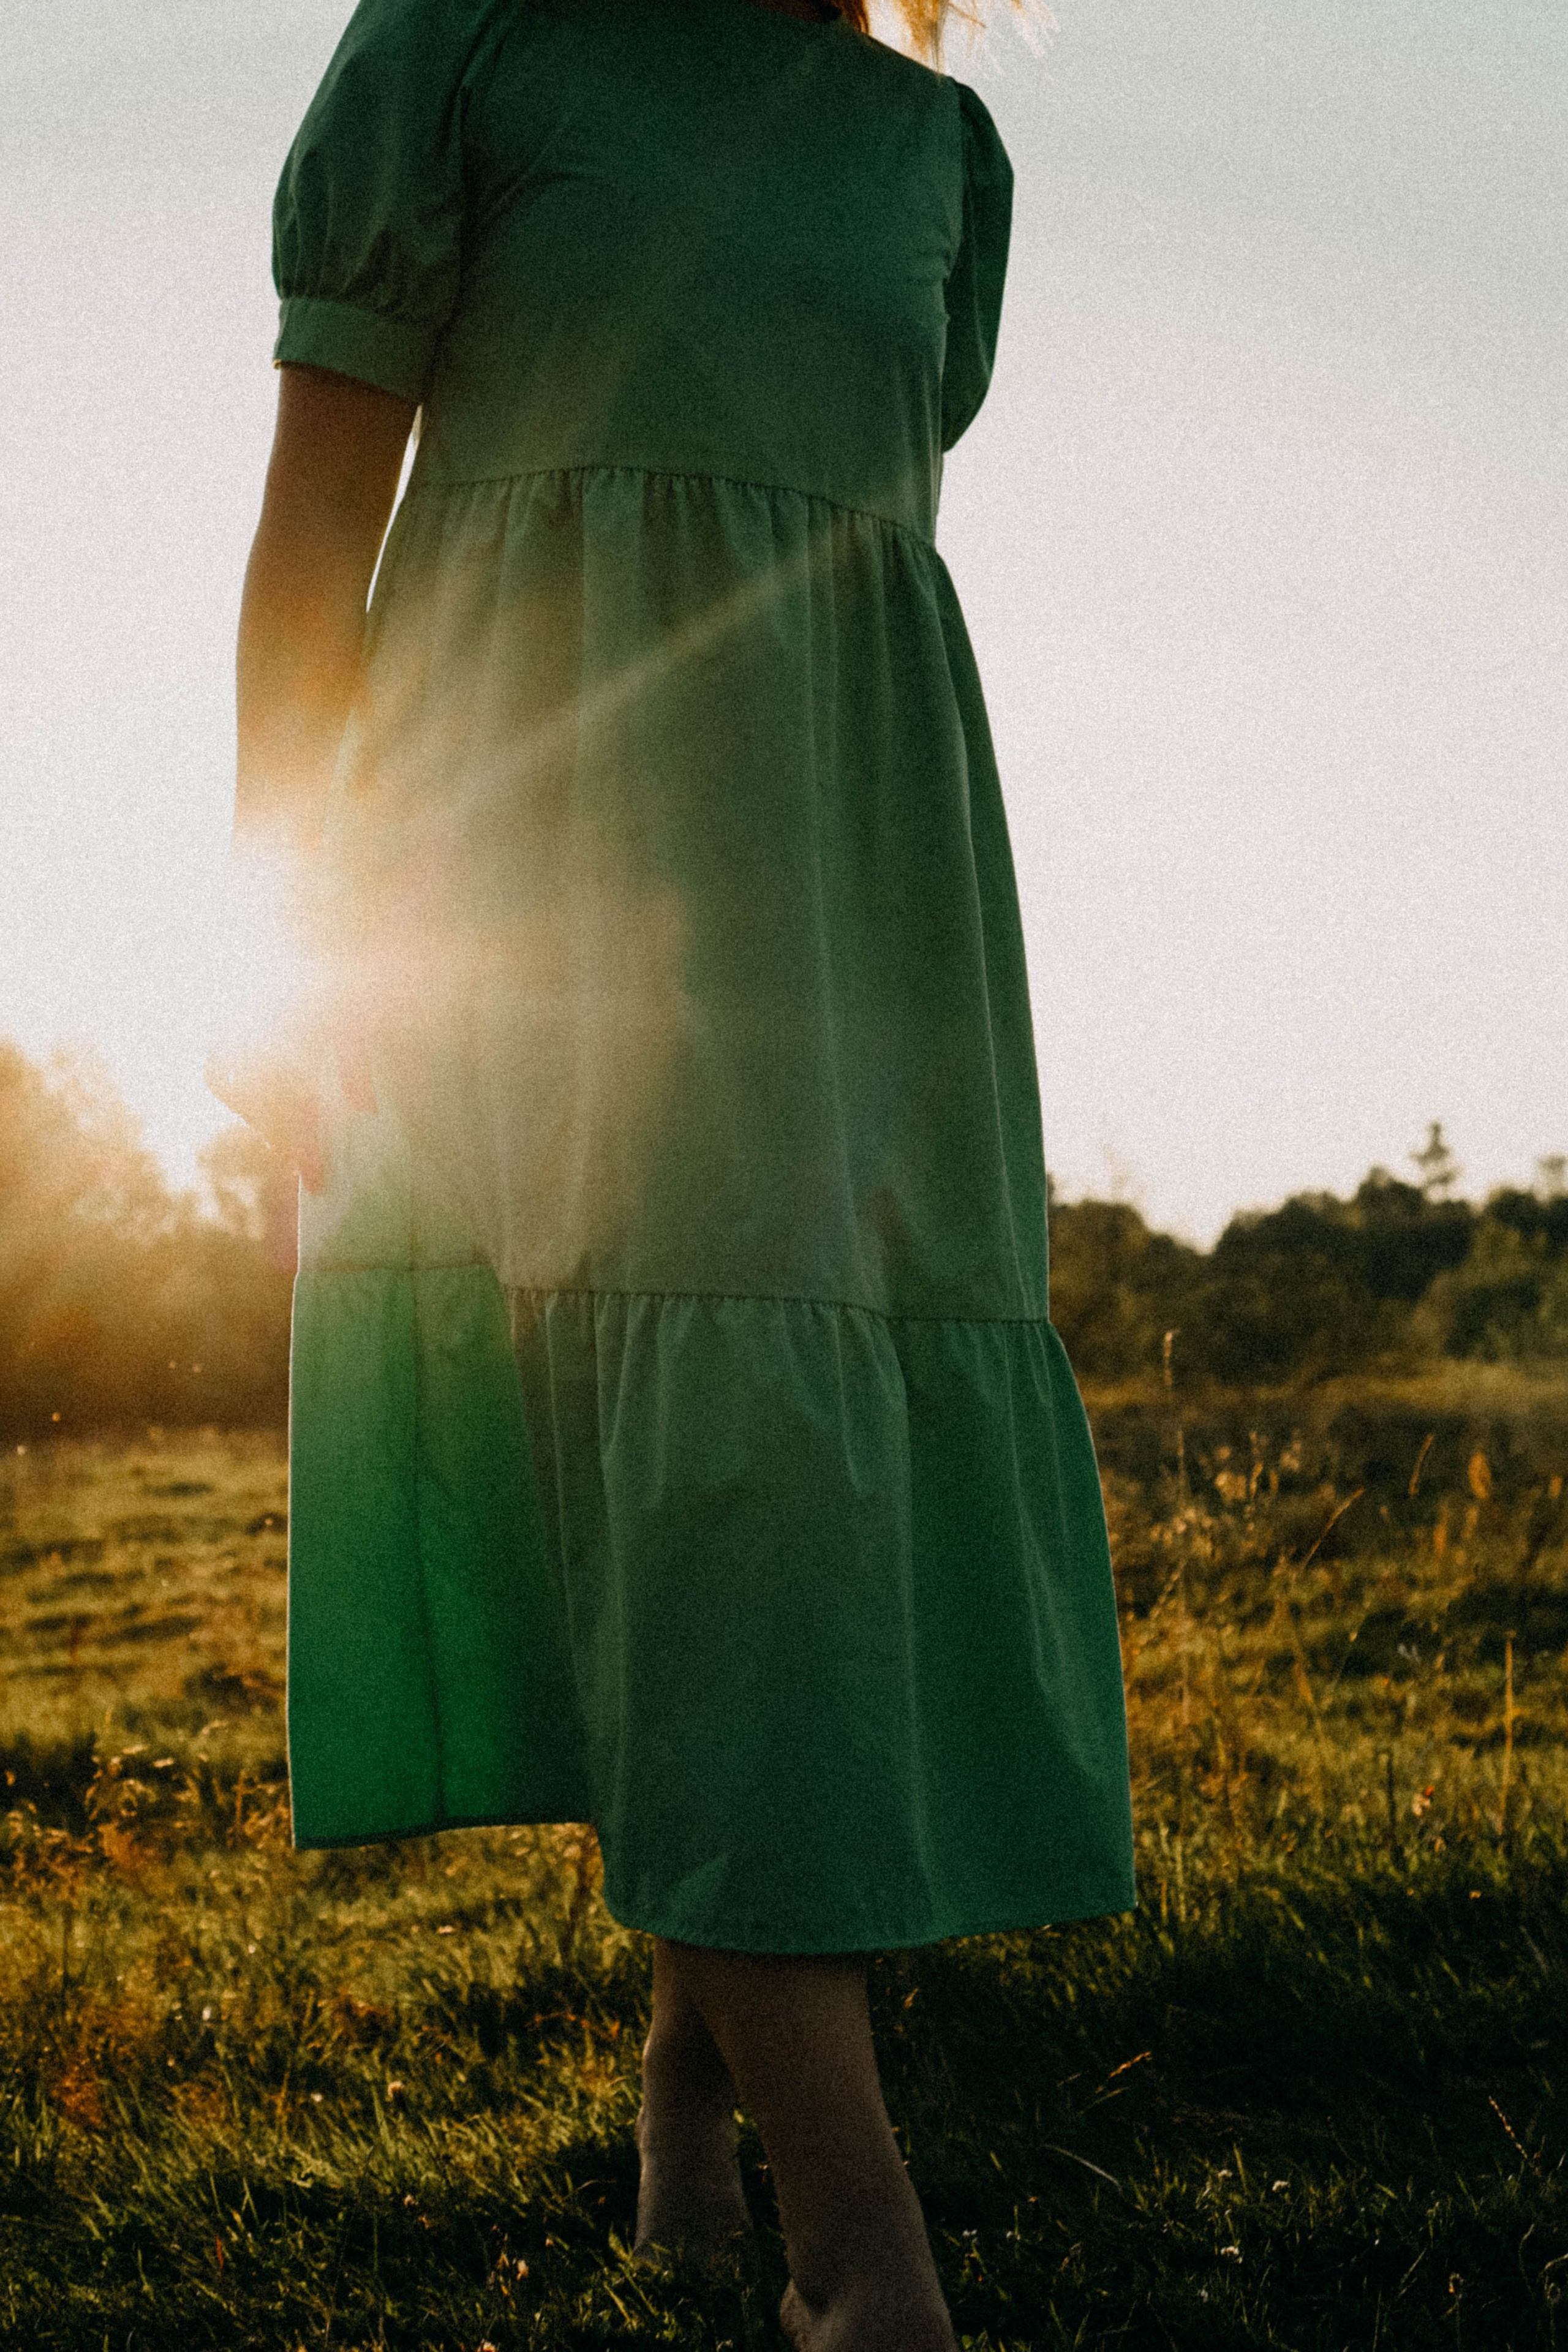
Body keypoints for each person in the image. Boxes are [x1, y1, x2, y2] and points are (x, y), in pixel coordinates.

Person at [209, 0, 1136, 2343]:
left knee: (783, 1498)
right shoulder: (468, 46)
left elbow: (849, 530)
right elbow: (320, 520)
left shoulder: (938, 151)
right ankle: (862, 2251)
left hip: (854, 870)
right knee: (690, 1478)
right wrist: (282, 907)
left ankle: (688, 2086)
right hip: (534, 846)